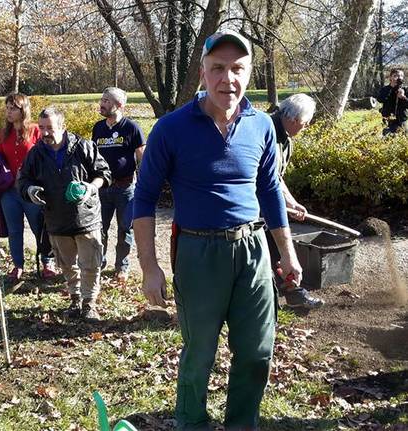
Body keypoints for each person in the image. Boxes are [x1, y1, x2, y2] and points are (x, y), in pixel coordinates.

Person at [133, 29, 302, 430]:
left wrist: (288, 253)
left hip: (254, 252)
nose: (229, 78)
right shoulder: (171, 129)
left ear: (249, 73)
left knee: (258, 350)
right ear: (204, 74)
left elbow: (271, 190)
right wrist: (149, 267)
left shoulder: (261, 126)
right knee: (200, 351)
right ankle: (192, 423)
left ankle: (242, 424)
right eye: (218, 68)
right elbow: (143, 198)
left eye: (238, 69)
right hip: (198, 253)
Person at [18, 107, 111, 320]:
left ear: (63, 126)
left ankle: (89, 303)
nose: (45, 133)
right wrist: (30, 190)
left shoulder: (84, 147)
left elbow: (104, 173)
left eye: (50, 128)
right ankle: (75, 299)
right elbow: (23, 180)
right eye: (41, 128)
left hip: (86, 219)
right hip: (56, 220)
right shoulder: (36, 153)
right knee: (67, 265)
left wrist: (90, 188)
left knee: (90, 265)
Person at [268, 94, 324, 309]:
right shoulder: (268, 133)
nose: (306, 126)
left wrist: (291, 202)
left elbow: (277, 177)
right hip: (253, 205)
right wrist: (285, 204)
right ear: (292, 118)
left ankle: (293, 294)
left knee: (275, 246)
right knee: (277, 245)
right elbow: (266, 178)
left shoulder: (285, 139)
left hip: (269, 202)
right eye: (305, 122)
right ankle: (291, 294)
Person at [0, 93, 56, 284]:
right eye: (7, 108)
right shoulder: (3, 134)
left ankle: (48, 262)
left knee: (40, 227)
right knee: (14, 230)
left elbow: (46, 157)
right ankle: (18, 265)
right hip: (9, 192)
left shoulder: (35, 131)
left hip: (31, 190)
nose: (8, 112)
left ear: (23, 110)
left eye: (12, 108)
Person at [92, 87, 146, 282]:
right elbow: (93, 157)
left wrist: (145, 184)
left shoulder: (131, 128)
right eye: (102, 99)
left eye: (106, 101)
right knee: (100, 228)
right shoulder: (98, 128)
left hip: (125, 188)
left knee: (125, 229)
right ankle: (99, 263)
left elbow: (142, 158)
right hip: (103, 187)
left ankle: (121, 267)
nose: (102, 104)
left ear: (119, 105)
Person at [376, 68, 408, 135]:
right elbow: (380, 99)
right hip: (388, 118)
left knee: (402, 138)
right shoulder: (385, 89)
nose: (399, 78)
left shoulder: (405, 89)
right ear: (391, 77)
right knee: (388, 137)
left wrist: (402, 96)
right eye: (396, 76)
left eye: (401, 76)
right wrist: (391, 89)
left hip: (401, 119)